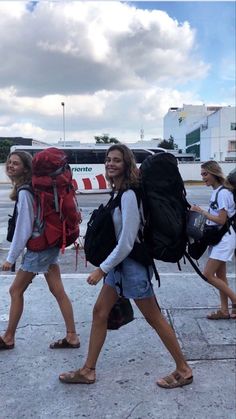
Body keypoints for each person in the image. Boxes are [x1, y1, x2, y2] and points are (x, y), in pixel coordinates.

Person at [59, 144, 193, 389]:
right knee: (100, 312)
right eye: (108, 159)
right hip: (120, 268)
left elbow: (128, 242)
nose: (111, 163)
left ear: (127, 165)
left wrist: (102, 269)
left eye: (117, 160)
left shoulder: (129, 195)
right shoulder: (118, 192)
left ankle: (184, 369)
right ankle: (88, 370)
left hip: (131, 268)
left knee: (154, 317)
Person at [0, 151, 80, 350]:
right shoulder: (34, 188)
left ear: (26, 168)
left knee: (15, 290)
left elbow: (24, 227)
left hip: (39, 247)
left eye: (16, 163)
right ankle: (72, 336)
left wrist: (11, 257)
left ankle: (8, 337)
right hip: (49, 243)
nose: (10, 166)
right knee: (58, 290)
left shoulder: (27, 191)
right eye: (9, 162)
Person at [191, 160, 236, 320]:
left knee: (208, 274)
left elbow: (221, 220)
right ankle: (224, 311)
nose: (203, 178)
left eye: (205, 174)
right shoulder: (218, 191)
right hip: (219, 238)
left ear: (214, 173)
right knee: (221, 277)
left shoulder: (222, 193)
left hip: (224, 238)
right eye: (202, 174)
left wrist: (201, 211)